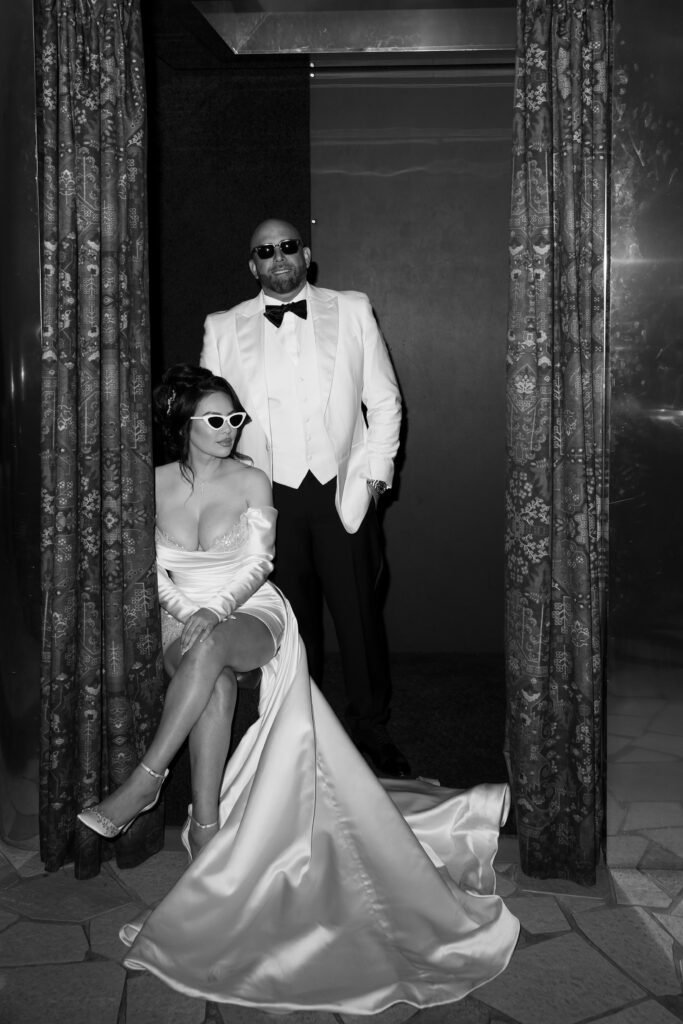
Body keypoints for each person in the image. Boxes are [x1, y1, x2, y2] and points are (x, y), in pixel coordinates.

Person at [78, 364, 519, 1013]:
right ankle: (205, 827)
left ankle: (145, 783)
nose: (231, 428)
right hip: (184, 617)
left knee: (215, 646)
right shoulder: (154, 484)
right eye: (215, 419)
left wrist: (216, 608)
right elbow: (154, 570)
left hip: (253, 609)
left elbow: (259, 562)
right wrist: (188, 609)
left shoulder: (253, 477)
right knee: (214, 684)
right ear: (182, 423)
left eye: (235, 418)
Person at [200, 217, 409, 778]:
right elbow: (211, 421)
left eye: (288, 247)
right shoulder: (222, 328)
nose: (278, 258)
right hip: (269, 498)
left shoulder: (352, 309)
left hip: (342, 494)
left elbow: (384, 402)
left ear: (307, 254)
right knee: (292, 625)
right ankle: (302, 730)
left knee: (360, 619)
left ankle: (372, 727)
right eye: (264, 251)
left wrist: (373, 481)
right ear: (252, 265)